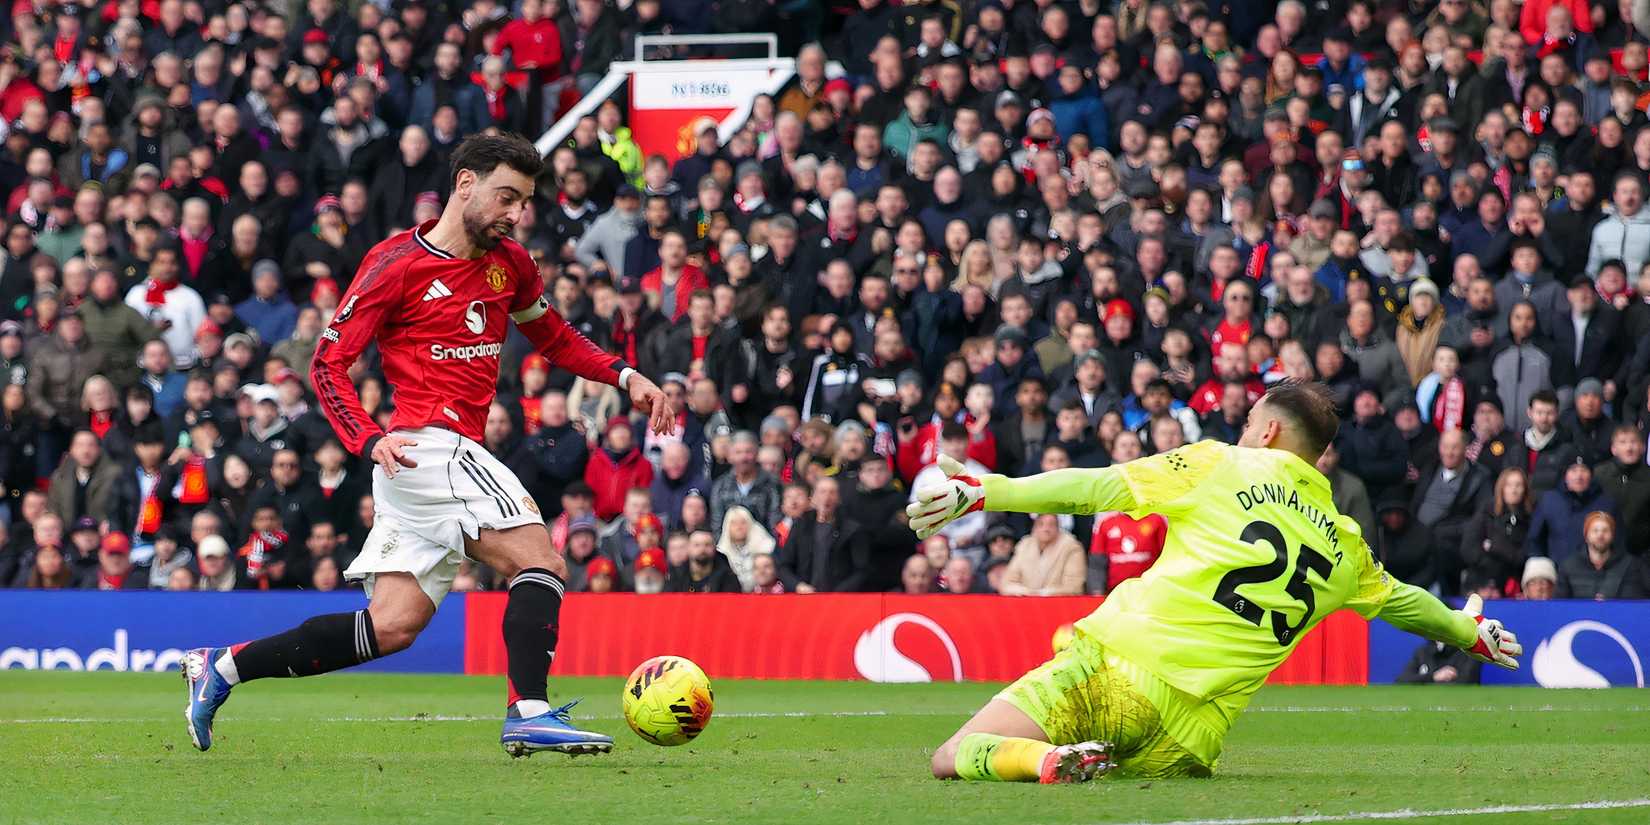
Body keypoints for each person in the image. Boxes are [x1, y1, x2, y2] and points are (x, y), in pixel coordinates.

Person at [179, 135, 675, 758]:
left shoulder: (511, 263)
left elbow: (554, 337)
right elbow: (329, 366)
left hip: (428, 462)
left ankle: (221, 668)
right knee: (541, 563)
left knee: (390, 627)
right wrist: (368, 437)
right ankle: (529, 710)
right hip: (424, 448)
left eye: (522, 203)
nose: (515, 214)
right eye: (505, 197)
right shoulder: (395, 264)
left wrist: (624, 375)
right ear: (465, 183)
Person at [909, 381, 1520, 783]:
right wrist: (1466, 633)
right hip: (1187, 738)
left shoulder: (1218, 464)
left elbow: (1099, 488)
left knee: (949, 757)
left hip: (1117, 670)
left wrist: (989, 491)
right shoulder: (1344, 545)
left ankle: (1041, 759)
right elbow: (1406, 603)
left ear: (1270, 432)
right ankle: (1072, 760)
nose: (1243, 431)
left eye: (1250, 421)